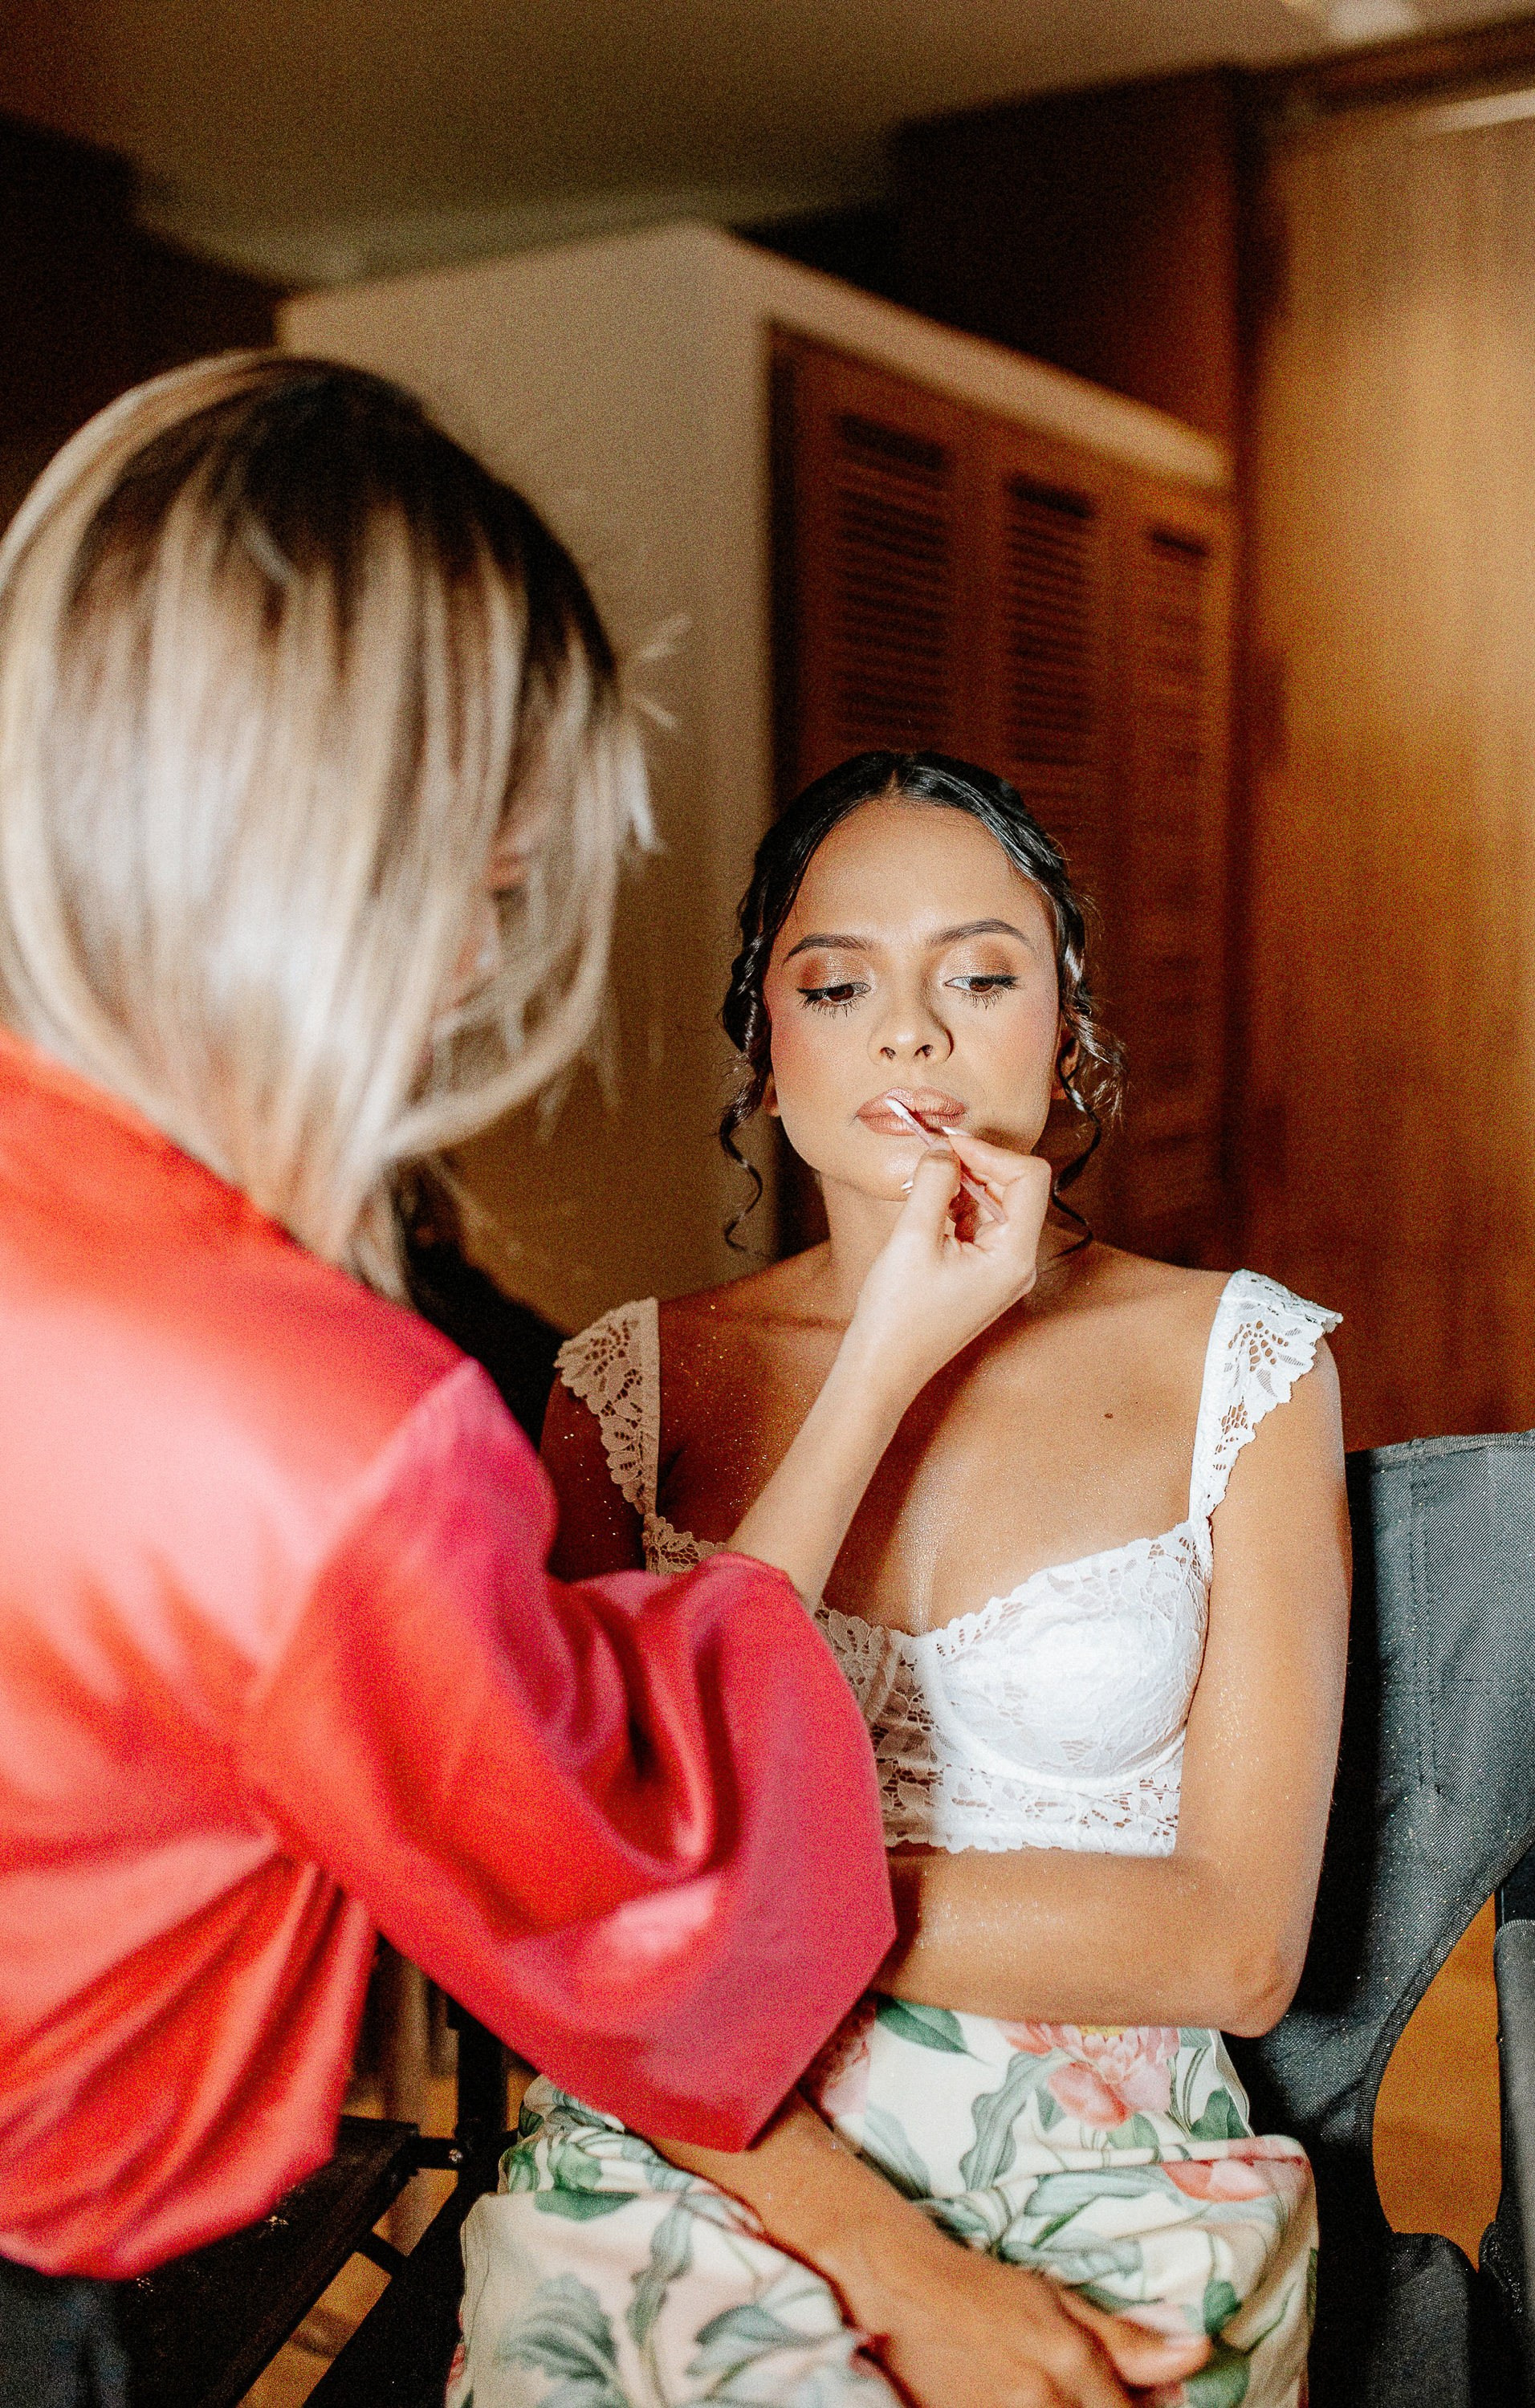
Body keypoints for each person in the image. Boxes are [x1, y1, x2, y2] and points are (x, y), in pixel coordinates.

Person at [0, 371, 1054, 2404]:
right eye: (489, 896)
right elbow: (619, 1873)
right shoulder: (329, 1437)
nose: (481, 972)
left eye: (981, 973)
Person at [455, 754, 1351, 2408]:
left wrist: (724, 1927)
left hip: (1108, 2154)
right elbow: (586, 1899)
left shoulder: (1240, 1363)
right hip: (711, 2138)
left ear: (1065, 1035)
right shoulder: (626, 1384)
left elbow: (1233, 1946)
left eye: (979, 976)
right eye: (838, 980)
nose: (911, 1032)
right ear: (764, 1045)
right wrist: (877, 1363)